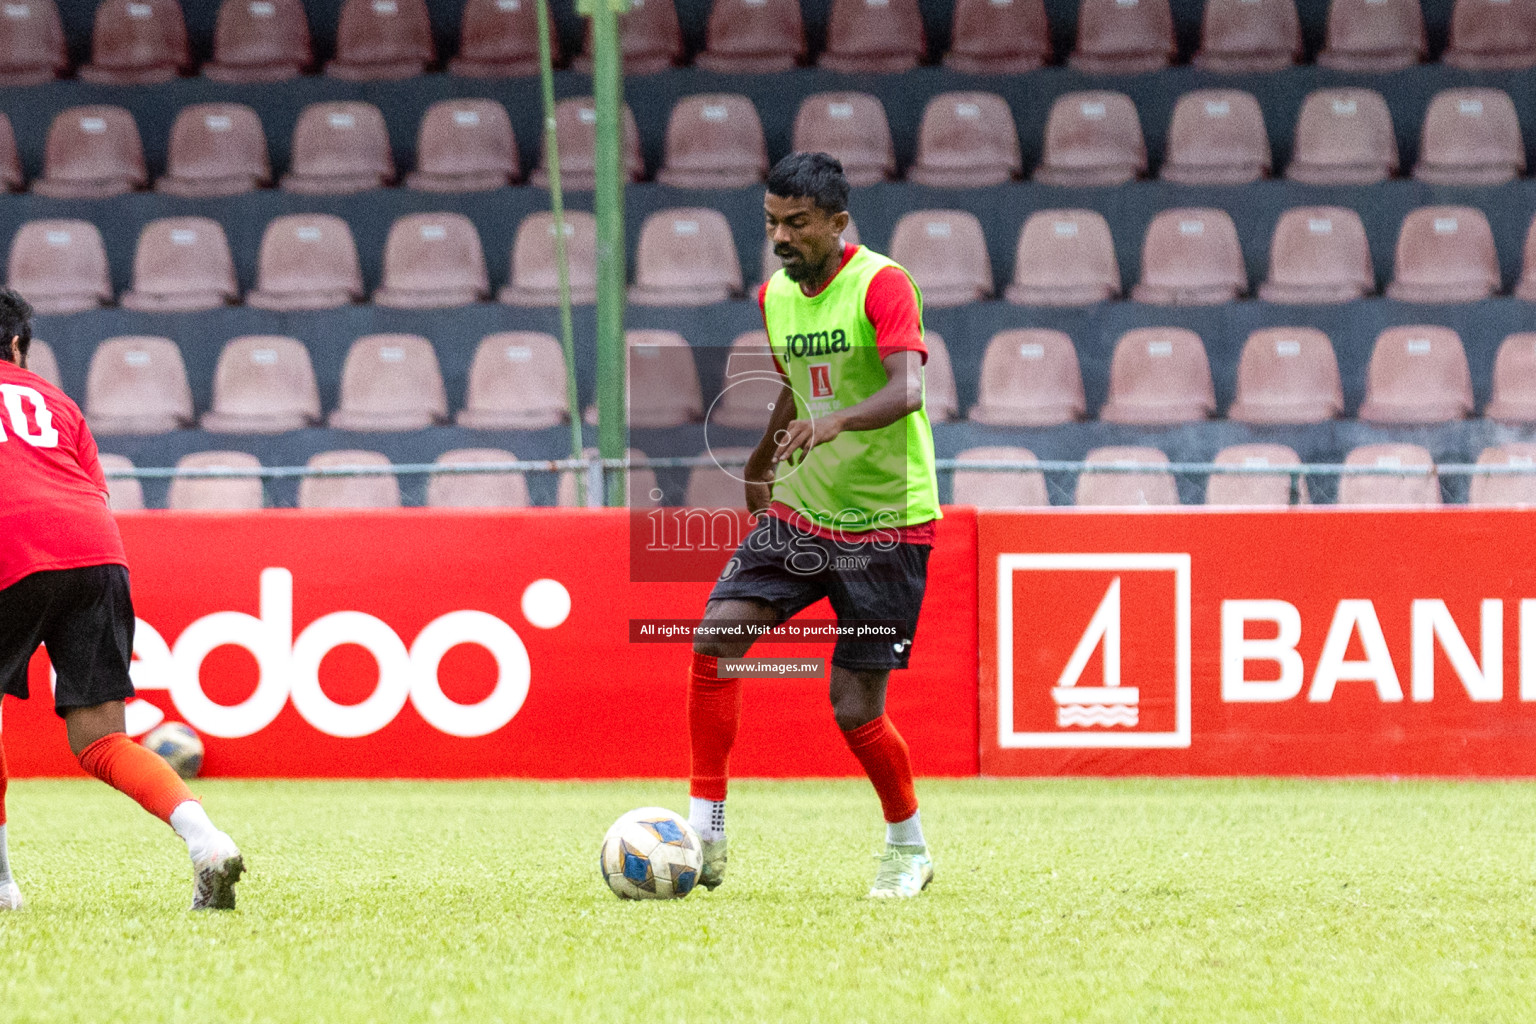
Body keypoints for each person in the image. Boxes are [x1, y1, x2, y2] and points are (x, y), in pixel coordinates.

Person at [686, 153, 941, 898]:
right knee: (715, 637)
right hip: (805, 510)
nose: (782, 236)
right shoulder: (775, 298)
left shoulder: (883, 284)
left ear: (838, 222)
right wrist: (762, 458)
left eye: (798, 223)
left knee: (853, 708)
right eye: (772, 222)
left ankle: (907, 846)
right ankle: (706, 828)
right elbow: (797, 391)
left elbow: (908, 390)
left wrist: (836, 424)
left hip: (887, 522)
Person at [0, 289, 244, 911]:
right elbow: (90, 493)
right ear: (18, 345)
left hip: (11, 544)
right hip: (96, 551)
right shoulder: (59, 404)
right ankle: (206, 841)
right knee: (102, 741)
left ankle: (3, 888)